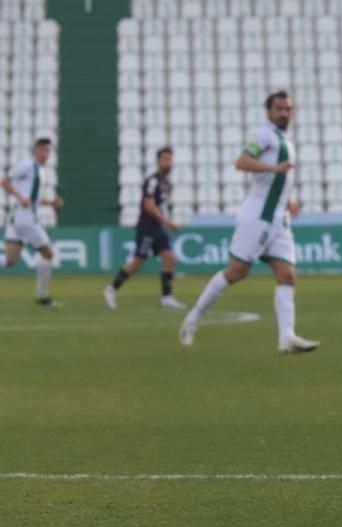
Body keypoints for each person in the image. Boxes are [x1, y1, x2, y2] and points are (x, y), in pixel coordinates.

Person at [179, 91, 319, 354]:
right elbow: (242, 161)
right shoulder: (263, 135)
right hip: (258, 216)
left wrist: (289, 200)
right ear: (268, 111)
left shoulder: (286, 141)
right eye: (278, 108)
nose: (284, 114)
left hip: (279, 218)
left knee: (287, 275)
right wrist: (272, 170)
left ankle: (287, 337)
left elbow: (279, 181)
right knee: (236, 272)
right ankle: (193, 318)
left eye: (288, 109)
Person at [104, 147, 187, 310]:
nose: (168, 162)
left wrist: (164, 221)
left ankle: (167, 298)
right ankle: (111, 289)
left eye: (170, 159)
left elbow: (160, 205)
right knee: (137, 262)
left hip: (158, 228)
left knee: (170, 259)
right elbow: (148, 205)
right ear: (158, 162)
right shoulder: (152, 181)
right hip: (147, 227)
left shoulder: (166, 184)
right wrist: (167, 221)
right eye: (164, 159)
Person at [2, 137, 66, 307]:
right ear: (35, 151)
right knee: (49, 253)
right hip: (25, 219)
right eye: (43, 150)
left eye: (48, 151)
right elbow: (4, 181)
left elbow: (34, 198)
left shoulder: (40, 171)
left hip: (17, 218)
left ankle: (42, 296)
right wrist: (20, 197)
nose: (46, 154)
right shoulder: (27, 165)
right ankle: (43, 296)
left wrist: (51, 202)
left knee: (9, 260)